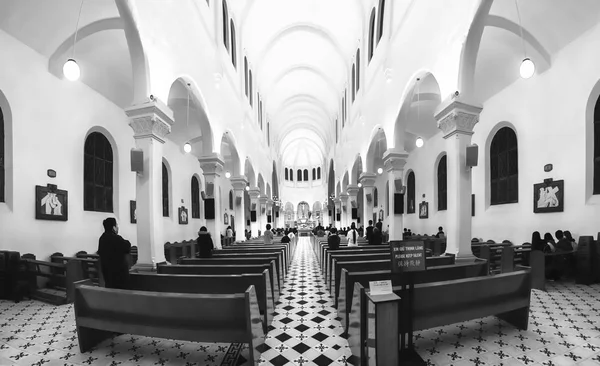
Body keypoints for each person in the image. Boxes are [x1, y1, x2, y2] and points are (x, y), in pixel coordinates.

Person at [97, 218, 131, 289]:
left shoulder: (102, 239)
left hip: (107, 273)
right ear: (113, 227)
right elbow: (127, 247)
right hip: (119, 274)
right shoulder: (116, 238)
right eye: (117, 225)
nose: (118, 227)